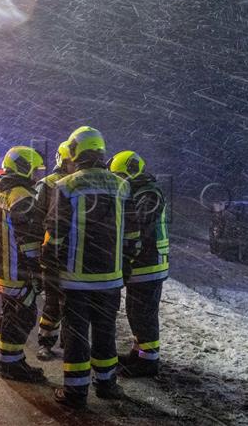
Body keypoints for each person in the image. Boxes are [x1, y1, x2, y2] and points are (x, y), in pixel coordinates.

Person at [43, 126, 130, 408]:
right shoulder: (121, 186)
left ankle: (75, 392)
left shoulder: (66, 186)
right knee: (105, 332)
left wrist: (50, 267)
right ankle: (106, 385)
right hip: (110, 279)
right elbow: (129, 233)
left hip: (76, 279)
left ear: (74, 152)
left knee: (77, 335)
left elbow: (55, 232)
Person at [108, 151, 169, 378]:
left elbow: (140, 221)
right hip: (141, 265)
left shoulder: (150, 193)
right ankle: (139, 353)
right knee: (135, 311)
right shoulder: (140, 191)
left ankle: (149, 362)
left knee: (144, 314)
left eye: (119, 176)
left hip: (150, 265)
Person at [0, 146, 46, 383]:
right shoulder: (22, 195)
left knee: (9, 313)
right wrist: (38, 271)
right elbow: (29, 241)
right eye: (34, 169)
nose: (36, 175)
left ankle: (2, 357)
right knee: (23, 315)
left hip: (3, 269)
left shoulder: (0, 192)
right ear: (24, 167)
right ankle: (12, 365)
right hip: (18, 269)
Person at [34, 141, 73, 361]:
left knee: (68, 301)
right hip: (57, 252)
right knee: (53, 300)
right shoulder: (49, 184)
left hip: (63, 252)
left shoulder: (53, 184)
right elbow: (36, 220)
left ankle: (66, 341)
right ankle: (47, 342)